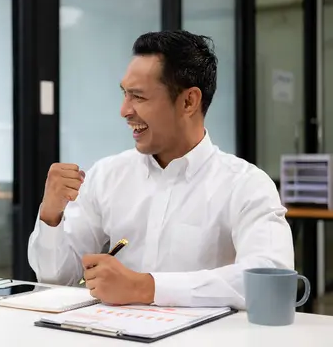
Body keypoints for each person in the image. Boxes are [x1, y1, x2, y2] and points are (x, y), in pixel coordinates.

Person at [27, 30, 294, 310]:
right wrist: (51, 214)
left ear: (189, 101)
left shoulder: (246, 184)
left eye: (138, 97)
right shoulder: (107, 175)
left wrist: (146, 287)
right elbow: (58, 279)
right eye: (124, 94)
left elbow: (272, 276)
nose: (124, 110)